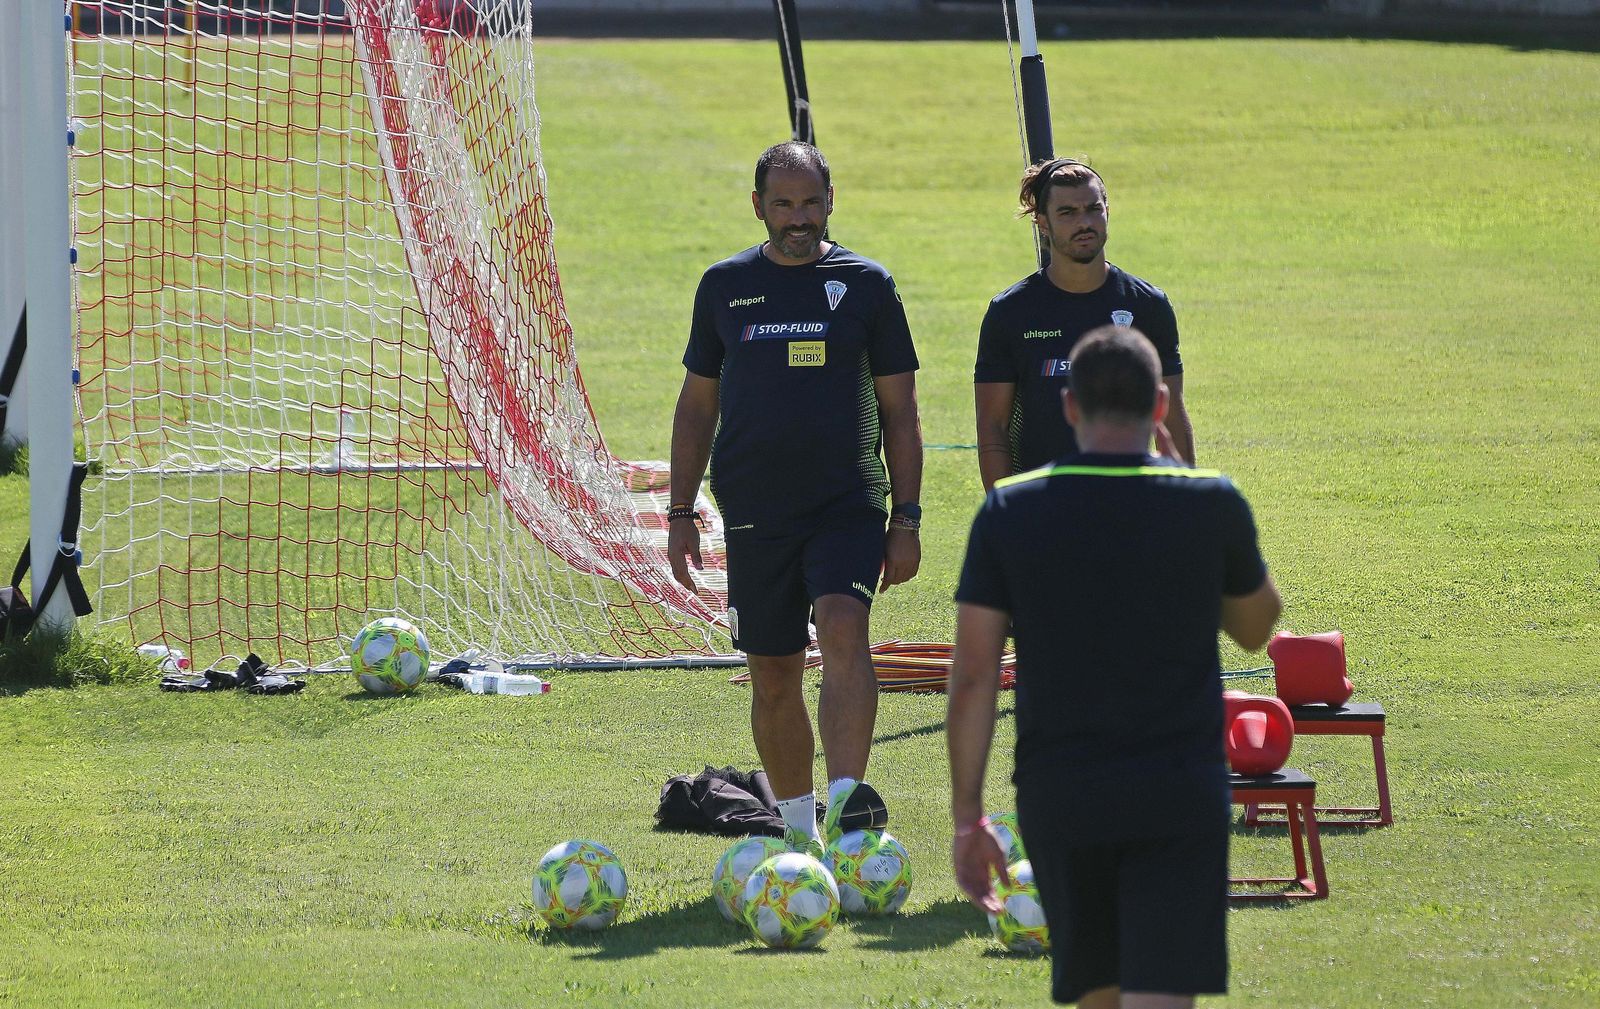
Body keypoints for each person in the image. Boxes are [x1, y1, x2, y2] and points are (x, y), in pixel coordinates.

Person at [947, 326, 1281, 1008]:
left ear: (1069, 406)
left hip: (1063, 791)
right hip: (1177, 788)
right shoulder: (1209, 501)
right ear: (1160, 405)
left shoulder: (1010, 509)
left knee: (1098, 994)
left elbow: (975, 672)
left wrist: (967, 816)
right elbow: (1256, 629)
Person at [667, 141, 923, 858]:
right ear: (758, 206)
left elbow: (900, 411)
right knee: (774, 672)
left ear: (831, 201)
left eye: (811, 202)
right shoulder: (723, 286)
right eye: (783, 204)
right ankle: (798, 829)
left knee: (844, 626)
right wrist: (681, 511)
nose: (798, 218)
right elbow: (696, 407)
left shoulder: (868, 285)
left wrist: (905, 517)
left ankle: (847, 814)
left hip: (846, 503)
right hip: (754, 510)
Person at [974, 159, 1195, 490]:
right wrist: (1003, 509)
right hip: (1042, 508)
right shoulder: (1010, 312)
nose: (1084, 223)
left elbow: (1172, 412)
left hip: (1130, 504)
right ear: (1042, 222)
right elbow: (993, 426)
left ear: (1107, 210)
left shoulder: (1148, 306)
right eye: (1067, 213)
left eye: (1093, 209)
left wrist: (1187, 499)